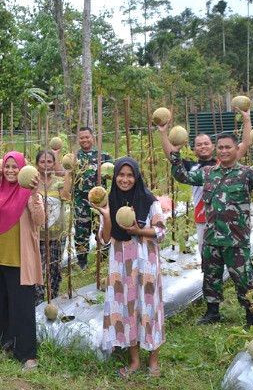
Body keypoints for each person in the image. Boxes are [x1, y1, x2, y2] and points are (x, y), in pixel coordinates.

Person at [169, 109, 253, 326]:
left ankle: (251, 314)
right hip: (212, 237)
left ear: (236, 149)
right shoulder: (208, 173)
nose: (224, 151)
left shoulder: (246, 173)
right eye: (221, 147)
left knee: (244, 278)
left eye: (228, 147)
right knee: (211, 276)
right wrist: (175, 153)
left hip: (236, 239)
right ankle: (212, 312)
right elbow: (182, 176)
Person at [92, 157, 166, 378]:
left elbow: (160, 231)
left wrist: (139, 231)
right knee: (128, 307)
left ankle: (153, 360)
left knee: (149, 307)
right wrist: (106, 216)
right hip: (120, 261)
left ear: (137, 177)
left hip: (146, 261)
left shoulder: (149, 200)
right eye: (121, 175)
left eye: (130, 175)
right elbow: (104, 239)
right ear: (115, 177)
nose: (125, 179)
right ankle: (134, 360)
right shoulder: (110, 201)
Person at [0, 151, 44, 370]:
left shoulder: (28, 194)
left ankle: (27, 354)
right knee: (0, 303)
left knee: (22, 306)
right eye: (7, 166)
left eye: (15, 167)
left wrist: (34, 195)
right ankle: (6, 344)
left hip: (18, 258)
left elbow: (39, 220)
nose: (10, 170)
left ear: (22, 169)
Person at [158, 113, 250, 250]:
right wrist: (163, 132)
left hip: (226, 218)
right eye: (199, 145)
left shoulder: (224, 163)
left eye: (206, 143)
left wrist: (246, 119)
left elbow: (245, 144)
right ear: (194, 149)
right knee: (207, 257)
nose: (203, 146)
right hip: (203, 219)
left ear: (213, 146)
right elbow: (172, 158)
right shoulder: (192, 168)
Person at [72, 127, 112, 269]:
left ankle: (103, 260)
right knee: (81, 233)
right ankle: (82, 262)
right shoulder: (74, 157)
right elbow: (66, 173)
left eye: (87, 137)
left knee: (101, 229)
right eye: (81, 137)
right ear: (78, 140)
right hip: (80, 203)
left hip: (99, 202)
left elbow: (112, 173)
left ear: (92, 138)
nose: (84, 140)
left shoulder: (103, 156)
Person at [36, 149, 71, 300]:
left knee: (55, 267)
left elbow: (65, 196)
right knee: (38, 268)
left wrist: (69, 172)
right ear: (37, 164)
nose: (46, 165)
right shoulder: (33, 182)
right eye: (42, 162)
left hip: (57, 235)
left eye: (49, 162)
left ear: (54, 164)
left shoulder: (59, 182)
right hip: (37, 235)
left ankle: (53, 297)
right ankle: (38, 299)